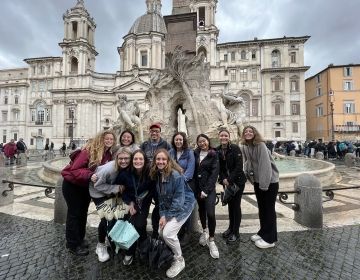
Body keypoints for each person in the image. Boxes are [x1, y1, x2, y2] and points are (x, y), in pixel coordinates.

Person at [61, 130, 116, 256]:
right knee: (74, 214)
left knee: (83, 213)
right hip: (72, 185)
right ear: (101, 139)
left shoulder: (108, 154)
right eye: (106, 139)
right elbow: (75, 169)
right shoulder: (88, 151)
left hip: (85, 186)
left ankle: (80, 239)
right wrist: (90, 175)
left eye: (111, 139)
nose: (109, 141)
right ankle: (72, 244)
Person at [150, 149, 196, 278]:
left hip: (184, 206)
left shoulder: (175, 176)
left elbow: (179, 200)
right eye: (158, 159)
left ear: (168, 161)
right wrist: (163, 215)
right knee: (161, 230)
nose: (160, 161)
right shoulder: (158, 174)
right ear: (155, 161)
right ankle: (169, 252)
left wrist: (167, 216)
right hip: (171, 206)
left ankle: (179, 259)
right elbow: (161, 199)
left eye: (163, 159)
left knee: (168, 233)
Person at [240, 125, 279, 249]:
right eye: (246, 131)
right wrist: (251, 179)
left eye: (250, 131)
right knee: (262, 209)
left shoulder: (260, 145)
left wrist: (263, 185)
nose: (248, 133)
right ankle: (263, 232)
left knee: (269, 210)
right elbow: (248, 163)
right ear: (243, 135)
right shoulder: (247, 146)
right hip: (259, 182)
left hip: (269, 182)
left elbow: (265, 166)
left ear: (254, 133)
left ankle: (270, 239)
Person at [89, 147, 131, 262]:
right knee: (107, 217)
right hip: (97, 192)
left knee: (115, 215)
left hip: (110, 192)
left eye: (126, 158)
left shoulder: (127, 167)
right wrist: (116, 188)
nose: (123, 161)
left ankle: (110, 238)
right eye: (121, 159)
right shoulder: (109, 169)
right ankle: (100, 245)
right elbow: (97, 185)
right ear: (116, 158)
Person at [116, 149, 155, 266]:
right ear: (132, 160)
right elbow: (122, 191)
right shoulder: (125, 173)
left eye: (140, 159)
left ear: (145, 161)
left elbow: (152, 191)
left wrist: (138, 206)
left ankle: (138, 248)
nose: (138, 161)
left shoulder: (150, 173)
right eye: (135, 159)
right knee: (131, 224)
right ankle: (133, 250)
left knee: (138, 224)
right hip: (129, 202)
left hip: (144, 203)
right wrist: (130, 203)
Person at [140, 123, 171, 237]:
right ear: (150, 132)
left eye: (156, 131)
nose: (154, 133)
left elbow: (170, 160)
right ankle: (141, 229)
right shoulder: (144, 144)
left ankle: (156, 230)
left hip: (160, 180)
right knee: (144, 204)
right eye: (152, 131)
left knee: (159, 206)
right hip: (147, 180)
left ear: (160, 132)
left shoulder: (166, 144)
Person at [216, 128, 246, 243]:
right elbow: (219, 167)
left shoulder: (235, 148)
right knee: (230, 206)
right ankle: (230, 228)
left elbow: (239, 166)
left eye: (226, 136)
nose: (223, 137)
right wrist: (223, 178)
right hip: (227, 183)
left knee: (236, 206)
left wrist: (229, 179)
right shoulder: (218, 150)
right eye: (222, 136)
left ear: (229, 137)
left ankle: (236, 232)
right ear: (219, 137)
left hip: (237, 182)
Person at [193, 134, 220, 259]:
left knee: (211, 213)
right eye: (200, 142)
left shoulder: (214, 154)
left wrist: (206, 190)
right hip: (198, 189)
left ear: (208, 141)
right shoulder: (195, 153)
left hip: (208, 190)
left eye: (204, 141)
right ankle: (204, 231)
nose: (202, 143)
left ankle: (212, 239)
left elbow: (214, 174)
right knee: (201, 211)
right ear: (197, 144)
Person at [169, 132, 195, 245]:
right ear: (173, 141)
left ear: (184, 141)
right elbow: (168, 169)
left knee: (186, 208)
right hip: (173, 186)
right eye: (176, 140)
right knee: (177, 208)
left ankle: (188, 233)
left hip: (186, 185)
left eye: (180, 140)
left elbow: (190, 171)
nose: (178, 141)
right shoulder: (170, 152)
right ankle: (179, 230)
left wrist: (179, 180)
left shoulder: (189, 153)